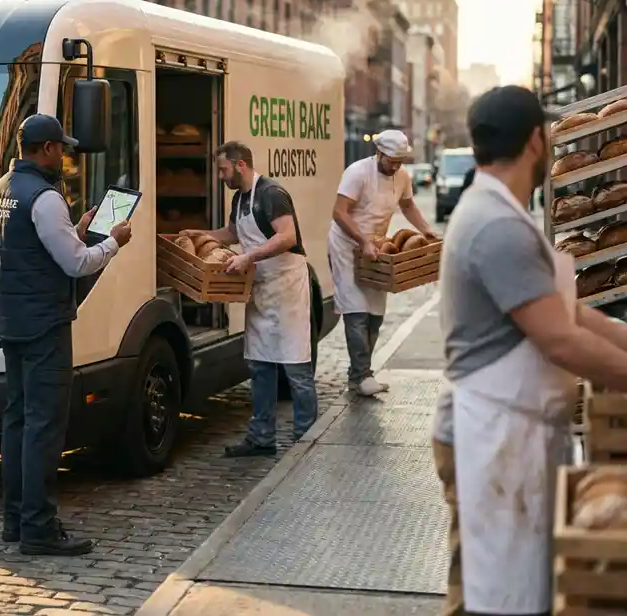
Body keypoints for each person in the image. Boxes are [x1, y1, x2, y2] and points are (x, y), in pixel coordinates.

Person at [433, 85, 627, 615]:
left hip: (509, 429)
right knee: (494, 599)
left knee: (488, 587)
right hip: (493, 436)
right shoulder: (497, 225)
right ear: (538, 141)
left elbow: (570, 312)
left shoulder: (502, 212)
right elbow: (560, 338)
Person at [0, 114, 132, 557]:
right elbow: (76, 265)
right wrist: (114, 241)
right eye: (61, 148)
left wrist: (78, 231)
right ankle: (39, 528)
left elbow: (32, 249)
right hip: (45, 326)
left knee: (17, 421)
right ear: (46, 149)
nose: (64, 155)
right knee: (44, 428)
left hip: (12, 321)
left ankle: (15, 519)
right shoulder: (45, 198)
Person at [184, 141, 317, 457]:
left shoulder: (272, 193)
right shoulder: (240, 198)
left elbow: (287, 237)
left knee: (296, 368)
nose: (220, 176)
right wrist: (201, 235)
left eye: (223, 169)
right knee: (260, 366)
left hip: (287, 288)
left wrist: (249, 257)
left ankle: (309, 440)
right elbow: (233, 233)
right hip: (260, 288)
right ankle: (261, 438)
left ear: (240, 165)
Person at [329, 130, 437, 396]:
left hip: (376, 250)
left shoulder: (402, 176)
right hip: (346, 246)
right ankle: (363, 376)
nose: (396, 166)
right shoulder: (358, 173)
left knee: (375, 315)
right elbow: (339, 212)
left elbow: (408, 205)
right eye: (391, 161)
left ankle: (358, 375)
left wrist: (427, 230)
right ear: (379, 153)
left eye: (400, 161)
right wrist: (362, 240)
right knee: (356, 311)